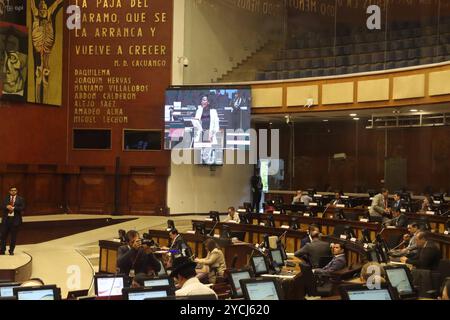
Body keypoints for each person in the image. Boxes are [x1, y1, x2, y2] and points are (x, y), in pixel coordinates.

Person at [1, 186, 25, 255]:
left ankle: (11, 250)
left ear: (16, 191)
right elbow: (1, 206)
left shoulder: (20, 199)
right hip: (6, 220)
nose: (13, 191)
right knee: (3, 236)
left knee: (13, 237)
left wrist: (14, 208)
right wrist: (6, 206)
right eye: (12, 190)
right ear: (9, 191)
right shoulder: (5, 198)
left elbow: (23, 207)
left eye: (15, 190)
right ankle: (2, 250)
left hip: (15, 221)